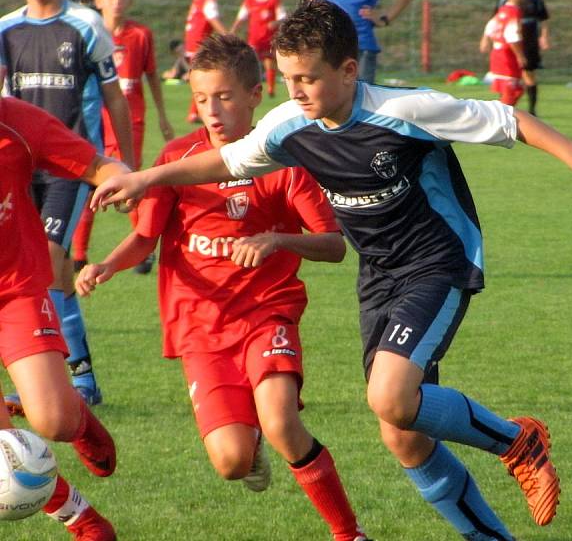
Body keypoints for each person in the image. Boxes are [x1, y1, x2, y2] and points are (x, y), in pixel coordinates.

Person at [90, 0, 572, 540]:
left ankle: (517, 441)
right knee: (403, 435)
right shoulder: (290, 125)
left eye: (307, 78)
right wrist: (143, 180)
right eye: (287, 79)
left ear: (349, 70)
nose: (296, 91)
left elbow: (508, 119)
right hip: (378, 277)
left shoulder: (404, 111)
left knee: (390, 397)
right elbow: (229, 159)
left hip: (437, 261)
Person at [76, 34, 371, 541]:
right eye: (201, 99)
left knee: (280, 423)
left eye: (225, 97)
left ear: (256, 95)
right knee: (232, 462)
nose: (212, 110)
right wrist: (107, 264)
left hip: (266, 314)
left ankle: (349, 533)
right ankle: (247, 439)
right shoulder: (177, 160)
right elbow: (146, 235)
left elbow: (334, 244)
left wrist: (278, 239)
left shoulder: (284, 160)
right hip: (200, 328)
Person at [0, 0, 134, 406]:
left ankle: (48, 380)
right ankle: (81, 378)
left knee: (53, 261)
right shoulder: (6, 30)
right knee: (50, 274)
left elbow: (114, 95)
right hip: (18, 170)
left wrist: (128, 166)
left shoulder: (86, 24)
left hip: (69, 164)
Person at [0, 95, 128, 540]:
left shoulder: (14, 120)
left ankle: (80, 422)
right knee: (2, 449)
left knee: (53, 420)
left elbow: (95, 164)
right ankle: (84, 520)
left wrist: (123, 179)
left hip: (15, 288)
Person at [71, 0, 175, 275]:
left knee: (126, 182)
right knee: (89, 184)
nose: (118, 1)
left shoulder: (140, 34)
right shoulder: (88, 33)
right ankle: (79, 254)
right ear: (98, 0)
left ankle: (142, 247)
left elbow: (152, 75)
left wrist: (164, 116)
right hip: (94, 121)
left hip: (132, 122)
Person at [496, 0, 550, 116]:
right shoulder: (506, 2)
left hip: (530, 39)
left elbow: (544, 18)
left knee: (528, 73)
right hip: (511, 44)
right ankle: (504, 109)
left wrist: (544, 36)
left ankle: (532, 110)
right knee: (510, 77)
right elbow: (497, 20)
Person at [184, 0, 227, 123]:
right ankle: (194, 113)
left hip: (193, 39)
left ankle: (194, 113)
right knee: (205, 78)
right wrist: (226, 35)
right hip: (199, 41)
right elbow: (212, 17)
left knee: (202, 77)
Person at [231, 0, 286, 98]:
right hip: (254, 39)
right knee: (250, 63)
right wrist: (233, 30)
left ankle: (271, 89)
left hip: (270, 39)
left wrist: (275, 22)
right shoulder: (250, 0)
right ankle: (249, 87)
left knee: (269, 63)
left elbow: (283, 17)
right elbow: (241, 17)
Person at [480, 0, 527, 107]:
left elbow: (491, 25)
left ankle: (501, 117)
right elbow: (511, 35)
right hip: (507, 56)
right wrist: (520, 55)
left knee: (512, 91)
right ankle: (500, 121)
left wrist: (484, 39)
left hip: (498, 53)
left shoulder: (504, 9)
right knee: (511, 91)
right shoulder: (514, 11)